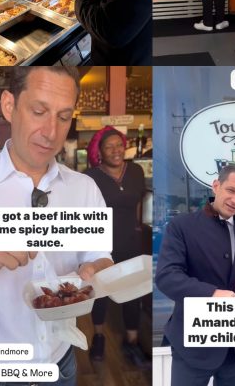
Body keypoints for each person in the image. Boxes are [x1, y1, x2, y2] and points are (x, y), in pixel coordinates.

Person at [0, 66, 113, 386]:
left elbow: (101, 256)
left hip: (60, 364)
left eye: (63, 116)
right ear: (9, 106)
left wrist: (94, 271)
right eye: (38, 111)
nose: (51, 131)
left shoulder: (84, 188)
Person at [155, 165, 235, 386]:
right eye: (230, 190)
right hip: (192, 346)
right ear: (216, 186)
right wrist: (212, 293)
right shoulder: (181, 226)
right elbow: (166, 276)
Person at [83, 127, 148, 367]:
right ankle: (98, 336)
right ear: (99, 151)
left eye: (119, 145)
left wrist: (139, 229)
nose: (116, 151)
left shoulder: (136, 171)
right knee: (100, 293)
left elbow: (138, 202)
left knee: (133, 291)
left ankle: (131, 341)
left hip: (131, 241)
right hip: (102, 245)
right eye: (109, 147)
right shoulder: (90, 177)